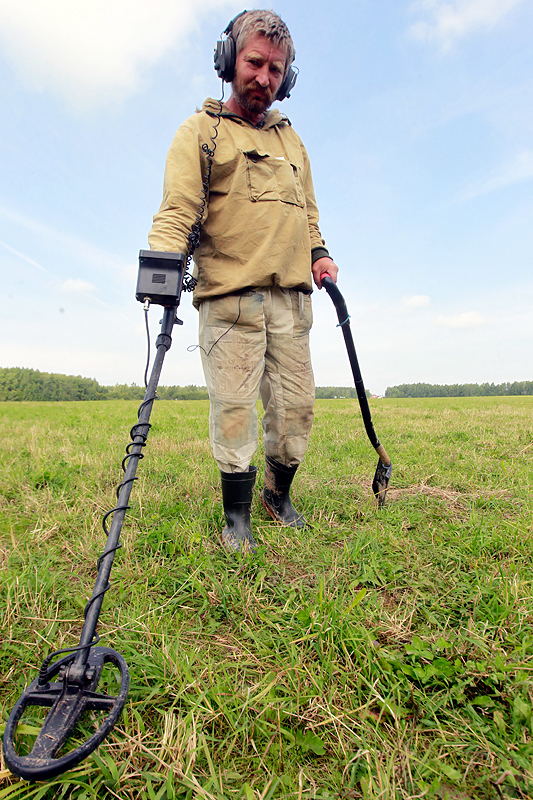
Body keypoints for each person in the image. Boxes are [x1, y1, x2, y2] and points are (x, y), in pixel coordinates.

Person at [148, 10, 338, 553]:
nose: (264, 77)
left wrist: (320, 253)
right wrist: (161, 268)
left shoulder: (293, 142)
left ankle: (277, 495)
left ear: (288, 77)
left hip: (292, 299)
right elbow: (178, 208)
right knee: (234, 411)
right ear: (229, 60)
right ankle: (236, 516)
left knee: (296, 407)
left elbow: (309, 213)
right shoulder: (201, 131)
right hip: (230, 300)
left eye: (277, 69)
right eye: (255, 62)